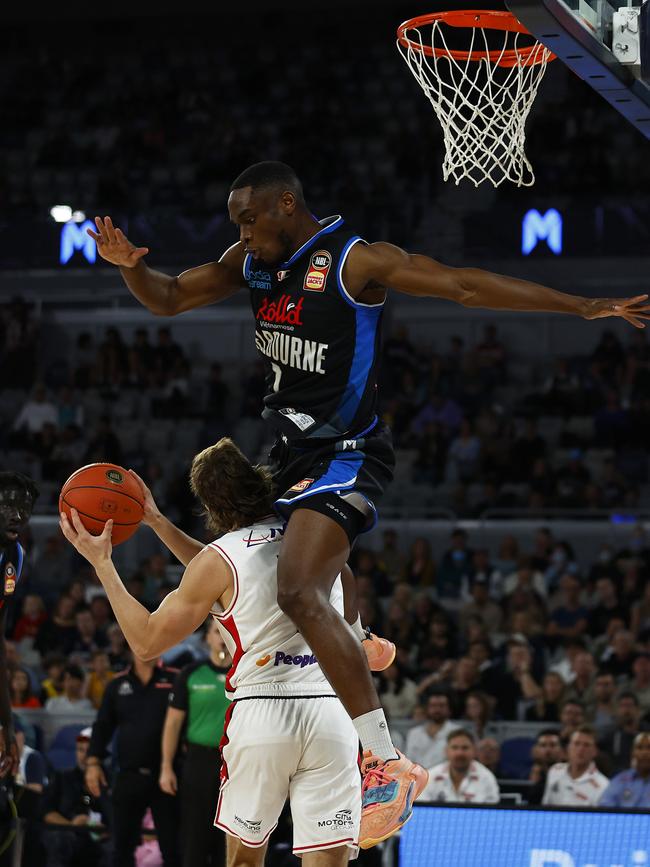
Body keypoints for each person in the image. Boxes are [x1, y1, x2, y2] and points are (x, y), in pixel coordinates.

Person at [87, 161, 650, 836]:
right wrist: (127, 267)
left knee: (296, 588)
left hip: (347, 454)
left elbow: (465, 287)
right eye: (235, 222)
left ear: (285, 205)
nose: (238, 233)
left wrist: (584, 306)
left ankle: (386, 762)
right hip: (284, 454)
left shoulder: (356, 261)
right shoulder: (252, 259)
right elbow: (170, 296)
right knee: (238, 557)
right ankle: (357, 633)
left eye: (247, 219)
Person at [60, 438, 418, 862]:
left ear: (211, 510)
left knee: (244, 860)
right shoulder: (320, 544)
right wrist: (156, 522)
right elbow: (231, 569)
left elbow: (146, 641)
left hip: (263, 715)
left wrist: (102, 564)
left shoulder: (219, 560)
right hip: (331, 714)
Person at [84, 655, 181, 867]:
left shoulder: (175, 679)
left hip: (167, 775)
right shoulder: (117, 684)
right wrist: (92, 763)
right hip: (129, 774)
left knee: (173, 850)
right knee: (121, 849)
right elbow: (102, 726)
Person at [160, 620, 231, 867]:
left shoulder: (247, 673)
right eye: (215, 631)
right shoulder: (191, 674)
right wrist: (166, 767)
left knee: (231, 834)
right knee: (195, 833)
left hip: (237, 762)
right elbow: (172, 724)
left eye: (226, 631)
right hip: (199, 761)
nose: (221, 637)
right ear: (207, 639)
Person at [0, 471, 38, 778]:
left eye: (24, 508)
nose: (18, 515)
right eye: (8, 506)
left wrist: (7, 724)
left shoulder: (15, 555)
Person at [43, 728, 110, 867]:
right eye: (80, 750)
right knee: (60, 840)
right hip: (65, 832)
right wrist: (72, 826)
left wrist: (104, 830)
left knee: (112, 847)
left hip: (101, 836)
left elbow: (119, 817)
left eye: (89, 751)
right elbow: (46, 811)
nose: (84, 755)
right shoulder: (61, 777)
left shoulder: (110, 781)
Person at [417, 729, 500, 804]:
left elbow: (491, 811)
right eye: (454, 747)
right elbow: (422, 809)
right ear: (446, 751)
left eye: (465, 748)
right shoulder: (430, 776)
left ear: (474, 751)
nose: (459, 753)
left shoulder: (486, 778)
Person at [542, 726, 609, 806]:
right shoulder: (554, 771)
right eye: (576, 743)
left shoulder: (602, 785)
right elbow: (545, 806)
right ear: (568, 748)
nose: (580, 749)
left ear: (595, 751)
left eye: (586, 745)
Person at [405, 693, 457, 769]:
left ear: (449, 709)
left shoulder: (457, 732)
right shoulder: (414, 733)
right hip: (417, 777)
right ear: (427, 708)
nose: (437, 709)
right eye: (433, 706)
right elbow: (407, 760)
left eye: (441, 706)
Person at [599, 732, 650, 808]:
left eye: (649, 748)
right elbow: (604, 808)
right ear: (633, 753)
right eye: (639, 748)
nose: (644, 752)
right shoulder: (620, 780)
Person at [528, 729, 564, 804]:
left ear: (562, 750)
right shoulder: (528, 774)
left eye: (553, 745)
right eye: (543, 745)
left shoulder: (570, 775)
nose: (548, 750)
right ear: (535, 750)